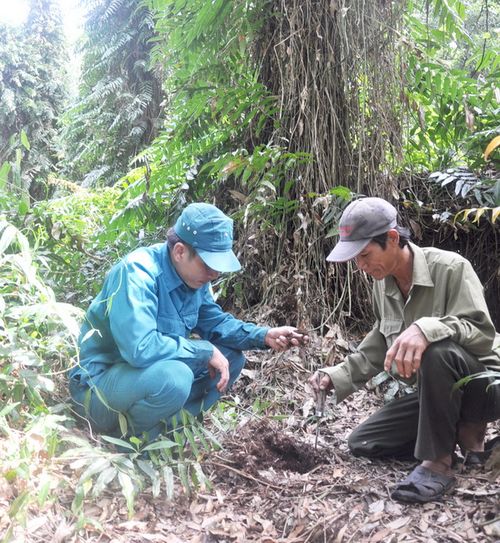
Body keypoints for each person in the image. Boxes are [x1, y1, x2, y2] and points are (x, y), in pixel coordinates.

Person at [309, 197, 500, 503]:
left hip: (485, 386)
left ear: (392, 238)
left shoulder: (451, 268)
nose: (361, 266)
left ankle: (437, 463)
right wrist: (337, 375)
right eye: (356, 259)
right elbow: (379, 341)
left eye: (365, 255)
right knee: (364, 442)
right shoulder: (382, 283)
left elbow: (481, 333)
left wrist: (427, 329)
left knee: (437, 350)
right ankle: (459, 434)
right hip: (438, 397)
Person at [70, 202, 307, 443]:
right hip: (99, 389)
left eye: (218, 267)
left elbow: (216, 324)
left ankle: (168, 434)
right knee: (176, 378)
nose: (215, 274)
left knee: (232, 358)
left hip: (145, 379)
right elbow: (139, 349)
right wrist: (203, 351)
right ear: (180, 252)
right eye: (209, 265)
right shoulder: (137, 273)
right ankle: (129, 442)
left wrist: (263, 335)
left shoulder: (194, 280)